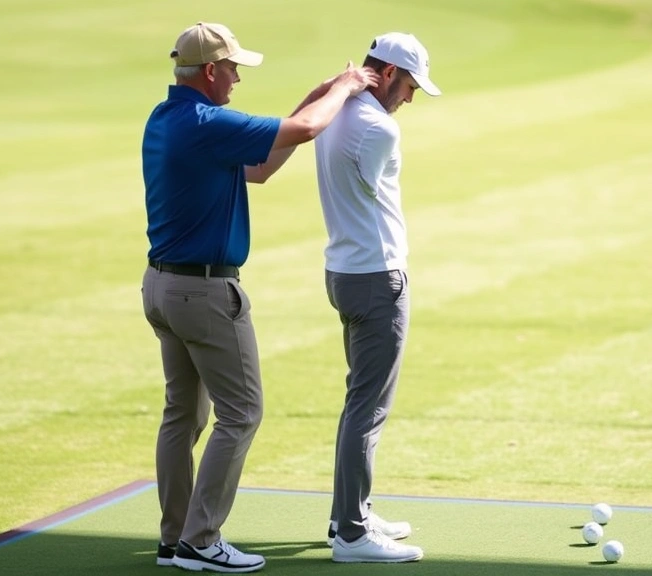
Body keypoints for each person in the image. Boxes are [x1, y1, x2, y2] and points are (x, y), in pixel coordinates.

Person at [140, 22, 378, 573]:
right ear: (209, 72)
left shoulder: (167, 117)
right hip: (203, 292)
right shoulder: (206, 121)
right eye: (233, 68)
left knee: (183, 414)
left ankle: (174, 539)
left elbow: (262, 166)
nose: (238, 77)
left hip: (161, 287)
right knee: (242, 412)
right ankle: (202, 540)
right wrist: (344, 87)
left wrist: (318, 94)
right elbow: (304, 131)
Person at [313, 32, 441, 563]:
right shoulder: (378, 129)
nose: (409, 98)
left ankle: (353, 509)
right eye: (408, 85)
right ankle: (351, 533)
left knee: (357, 401)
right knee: (368, 407)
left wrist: (337, 85)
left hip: (343, 272)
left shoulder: (334, 109)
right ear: (386, 73)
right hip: (377, 278)